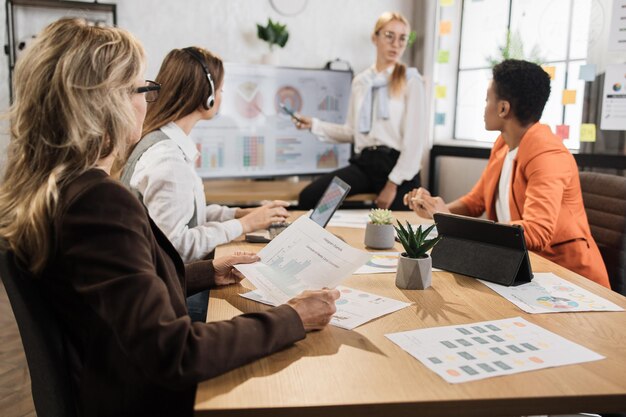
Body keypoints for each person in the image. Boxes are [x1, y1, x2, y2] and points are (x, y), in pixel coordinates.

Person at [0, 18, 339, 416]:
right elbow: (174, 352)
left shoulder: (53, 189)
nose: (147, 103)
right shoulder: (98, 202)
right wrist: (293, 318)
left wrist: (205, 273)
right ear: (106, 102)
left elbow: (116, 292)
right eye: (142, 89)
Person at [404, 59, 610, 288]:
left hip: (570, 280)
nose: (484, 107)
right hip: (521, 271)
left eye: (486, 100)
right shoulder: (503, 144)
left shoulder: (547, 153)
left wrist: (450, 221)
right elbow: (477, 201)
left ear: (503, 108)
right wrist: (438, 211)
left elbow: (537, 231)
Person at [119, 46, 290, 321]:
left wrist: (238, 214)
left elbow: (188, 215)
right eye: (220, 90)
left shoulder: (164, 144)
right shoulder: (168, 161)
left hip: (168, 287)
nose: (221, 97)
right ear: (207, 97)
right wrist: (243, 226)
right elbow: (175, 247)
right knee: (264, 305)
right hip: (170, 301)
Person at [293, 11, 426, 210]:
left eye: (402, 38)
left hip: (399, 169)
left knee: (399, 230)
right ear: (375, 37)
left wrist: (392, 185)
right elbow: (351, 131)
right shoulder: (361, 82)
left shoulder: (411, 80)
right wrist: (314, 125)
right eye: (389, 36)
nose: (396, 44)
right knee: (311, 198)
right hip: (365, 165)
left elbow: (415, 142)